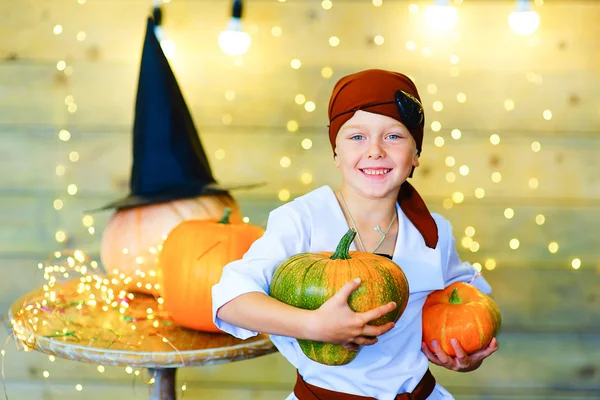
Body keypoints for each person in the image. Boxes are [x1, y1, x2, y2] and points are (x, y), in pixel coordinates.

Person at [212, 69, 498, 400]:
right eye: (357, 137)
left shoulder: (435, 232)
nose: (375, 150)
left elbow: (467, 301)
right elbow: (230, 302)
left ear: (415, 155)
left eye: (393, 136)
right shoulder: (302, 219)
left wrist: (465, 354)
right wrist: (313, 326)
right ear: (336, 152)